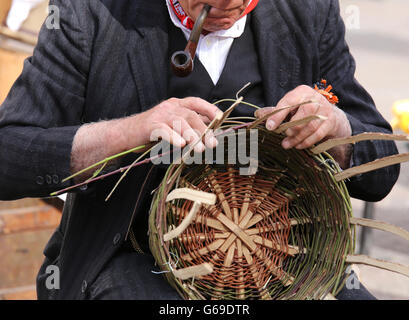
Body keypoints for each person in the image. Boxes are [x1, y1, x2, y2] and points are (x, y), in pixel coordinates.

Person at [0, 0, 400, 300]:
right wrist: (130, 131)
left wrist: (337, 128)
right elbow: (8, 155)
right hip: (128, 258)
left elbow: (382, 173)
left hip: (278, 262)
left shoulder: (305, 12)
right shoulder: (90, 12)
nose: (230, 7)